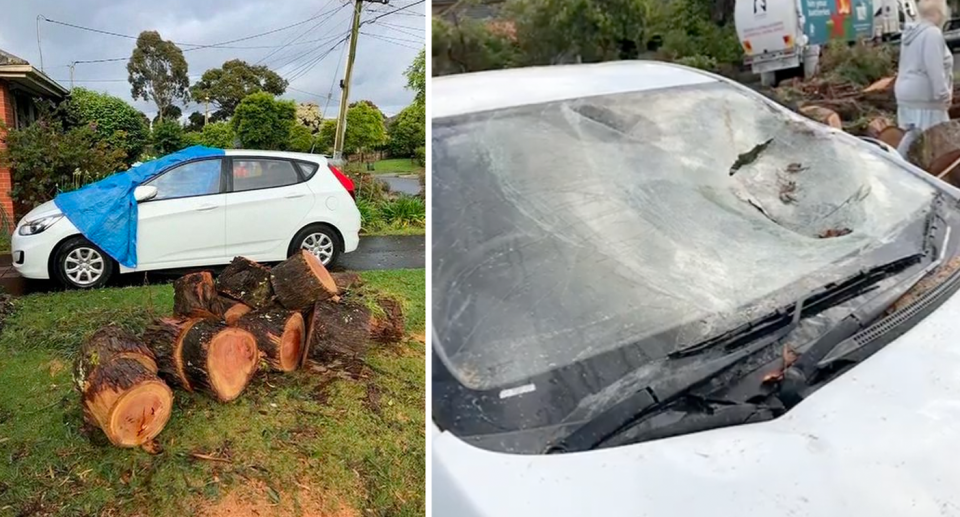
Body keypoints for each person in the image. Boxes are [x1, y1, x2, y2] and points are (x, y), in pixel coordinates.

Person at [895, 0, 954, 156]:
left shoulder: (911, 33)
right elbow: (934, 68)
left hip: (907, 92)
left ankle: (898, 164)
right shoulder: (932, 33)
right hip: (925, 96)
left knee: (914, 135)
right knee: (940, 137)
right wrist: (943, 95)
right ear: (938, 13)